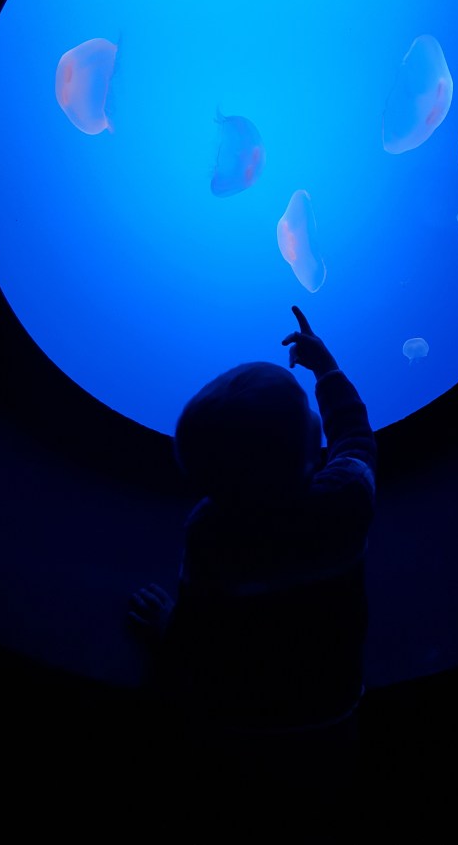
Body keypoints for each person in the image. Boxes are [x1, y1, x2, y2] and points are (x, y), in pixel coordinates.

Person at [128, 305, 377, 798]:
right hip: (333, 706)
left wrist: (163, 629)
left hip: (232, 720)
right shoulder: (346, 498)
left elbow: (197, 628)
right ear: (312, 453)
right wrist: (325, 369)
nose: (313, 414)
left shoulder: (209, 534)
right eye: (307, 412)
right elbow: (355, 437)